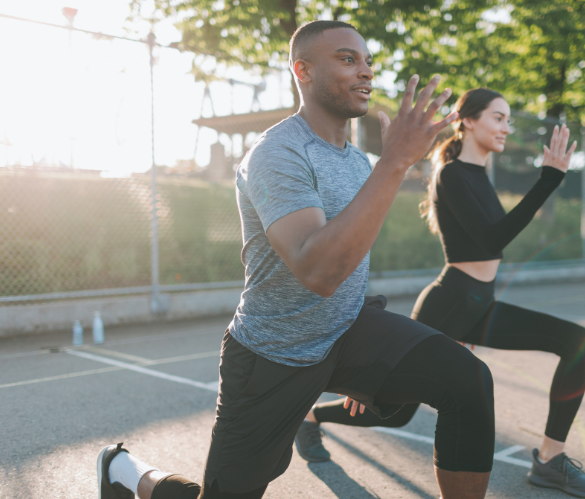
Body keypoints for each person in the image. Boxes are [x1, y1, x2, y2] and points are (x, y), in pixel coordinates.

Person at [96, 21, 499, 499]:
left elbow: (350, 257)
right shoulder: (276, 153)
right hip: (273, 354)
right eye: (348, 59)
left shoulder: (355, 161)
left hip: (347, 332)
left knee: (468, 381)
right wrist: (395, 163)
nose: (365, 71)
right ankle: (125, 471)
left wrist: (370, 361)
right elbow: (318, 271)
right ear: (302, 70)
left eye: (368, 61)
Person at [296, 88, 585, 499]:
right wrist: (548, 180)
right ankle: (311, 417)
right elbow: (492, 239)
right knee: (394, 413)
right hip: (449, 304)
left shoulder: (478, 176)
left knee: (578, 342)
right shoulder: (452, 174)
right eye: (498, 117)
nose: (506, 128)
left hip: (482, 304)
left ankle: (550, 460)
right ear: (469, 120)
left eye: (508, 119)